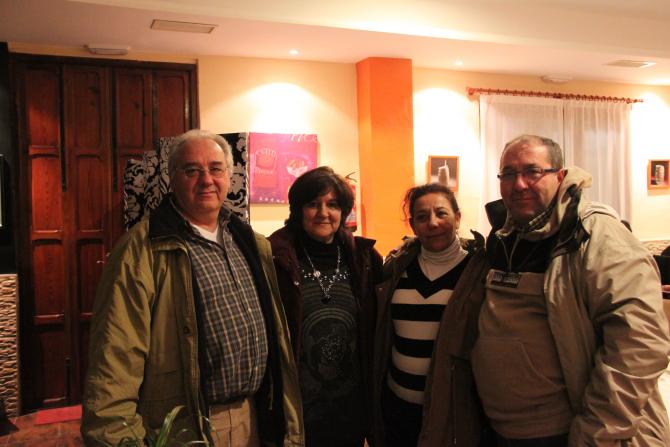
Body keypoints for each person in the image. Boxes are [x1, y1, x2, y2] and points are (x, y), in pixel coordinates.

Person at [81, 130, 303, 447]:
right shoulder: (140, 252)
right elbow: (115, 358)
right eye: (191, 170)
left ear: (229, 176)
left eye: (215, 168)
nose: (206, 180)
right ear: (172, 178)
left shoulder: (250, 242)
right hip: (190, 427)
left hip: (255, 416)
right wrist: (118, 437)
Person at [472, 134, 670, 446]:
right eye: (508, 174)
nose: (519, 184)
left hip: (569, 432)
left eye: (532, 171)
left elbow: (641, 345)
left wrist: (595, 433)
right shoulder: (503, 236)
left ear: (560, 176)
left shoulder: (597, 235)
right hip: (501, 429)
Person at [268, 166, 382, 447]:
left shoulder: (365, 259)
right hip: (297, 412)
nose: (323, 213)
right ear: (298, 209)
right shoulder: (275, 259)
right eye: (313, 204)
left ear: (343, 211)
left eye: (332, 205)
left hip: (350, 409)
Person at [372, 183, 492, 446]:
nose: (433, 223)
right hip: (397, 408)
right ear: (413, 225)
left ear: (457, 218)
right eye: (422, 216)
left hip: (451, 411)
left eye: (441, 213)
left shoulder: (478, 272)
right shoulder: (396, 269)